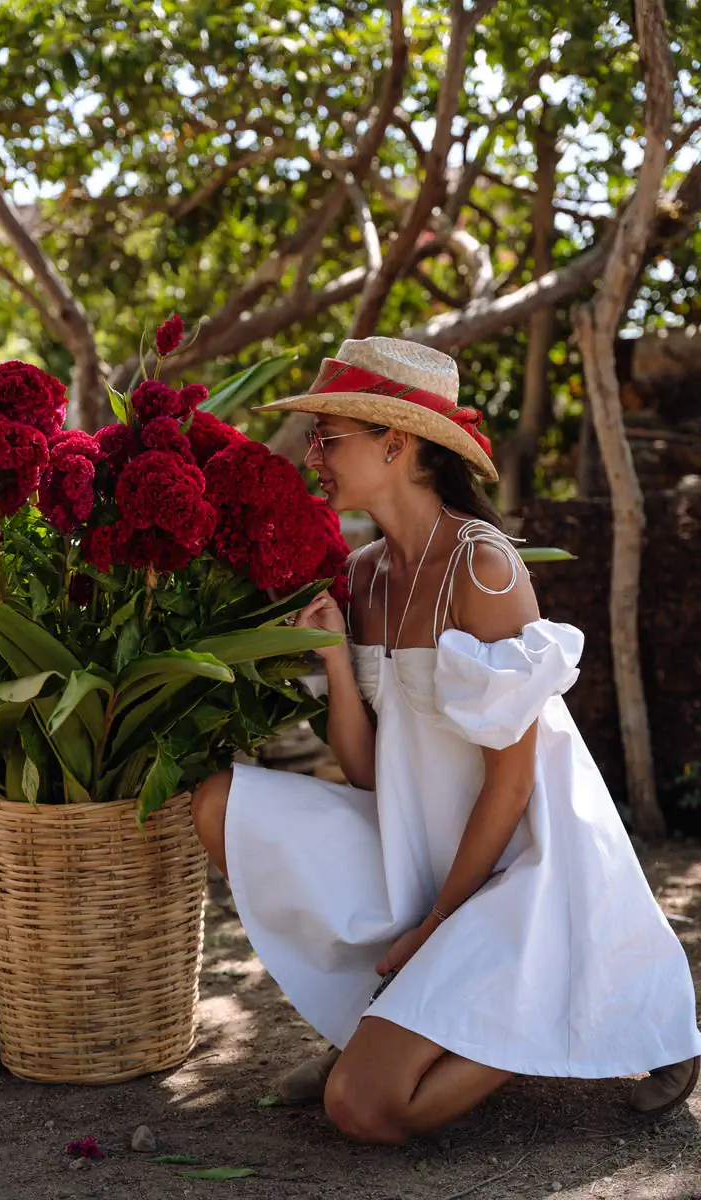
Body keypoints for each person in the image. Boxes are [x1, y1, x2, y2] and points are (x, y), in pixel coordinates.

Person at [192, 337, 701, 1144]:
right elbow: (367, 773)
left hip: (518, 871)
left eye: (329, 437)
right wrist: (331, 657)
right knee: (222, 804)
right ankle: (392, 1022)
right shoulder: (361, 575)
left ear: (396, 443)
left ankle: (553, 1001)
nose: (312, 455)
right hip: (416, 847)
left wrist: (436, 924)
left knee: (363, 1109)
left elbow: (511, 786)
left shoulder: (484, 567)